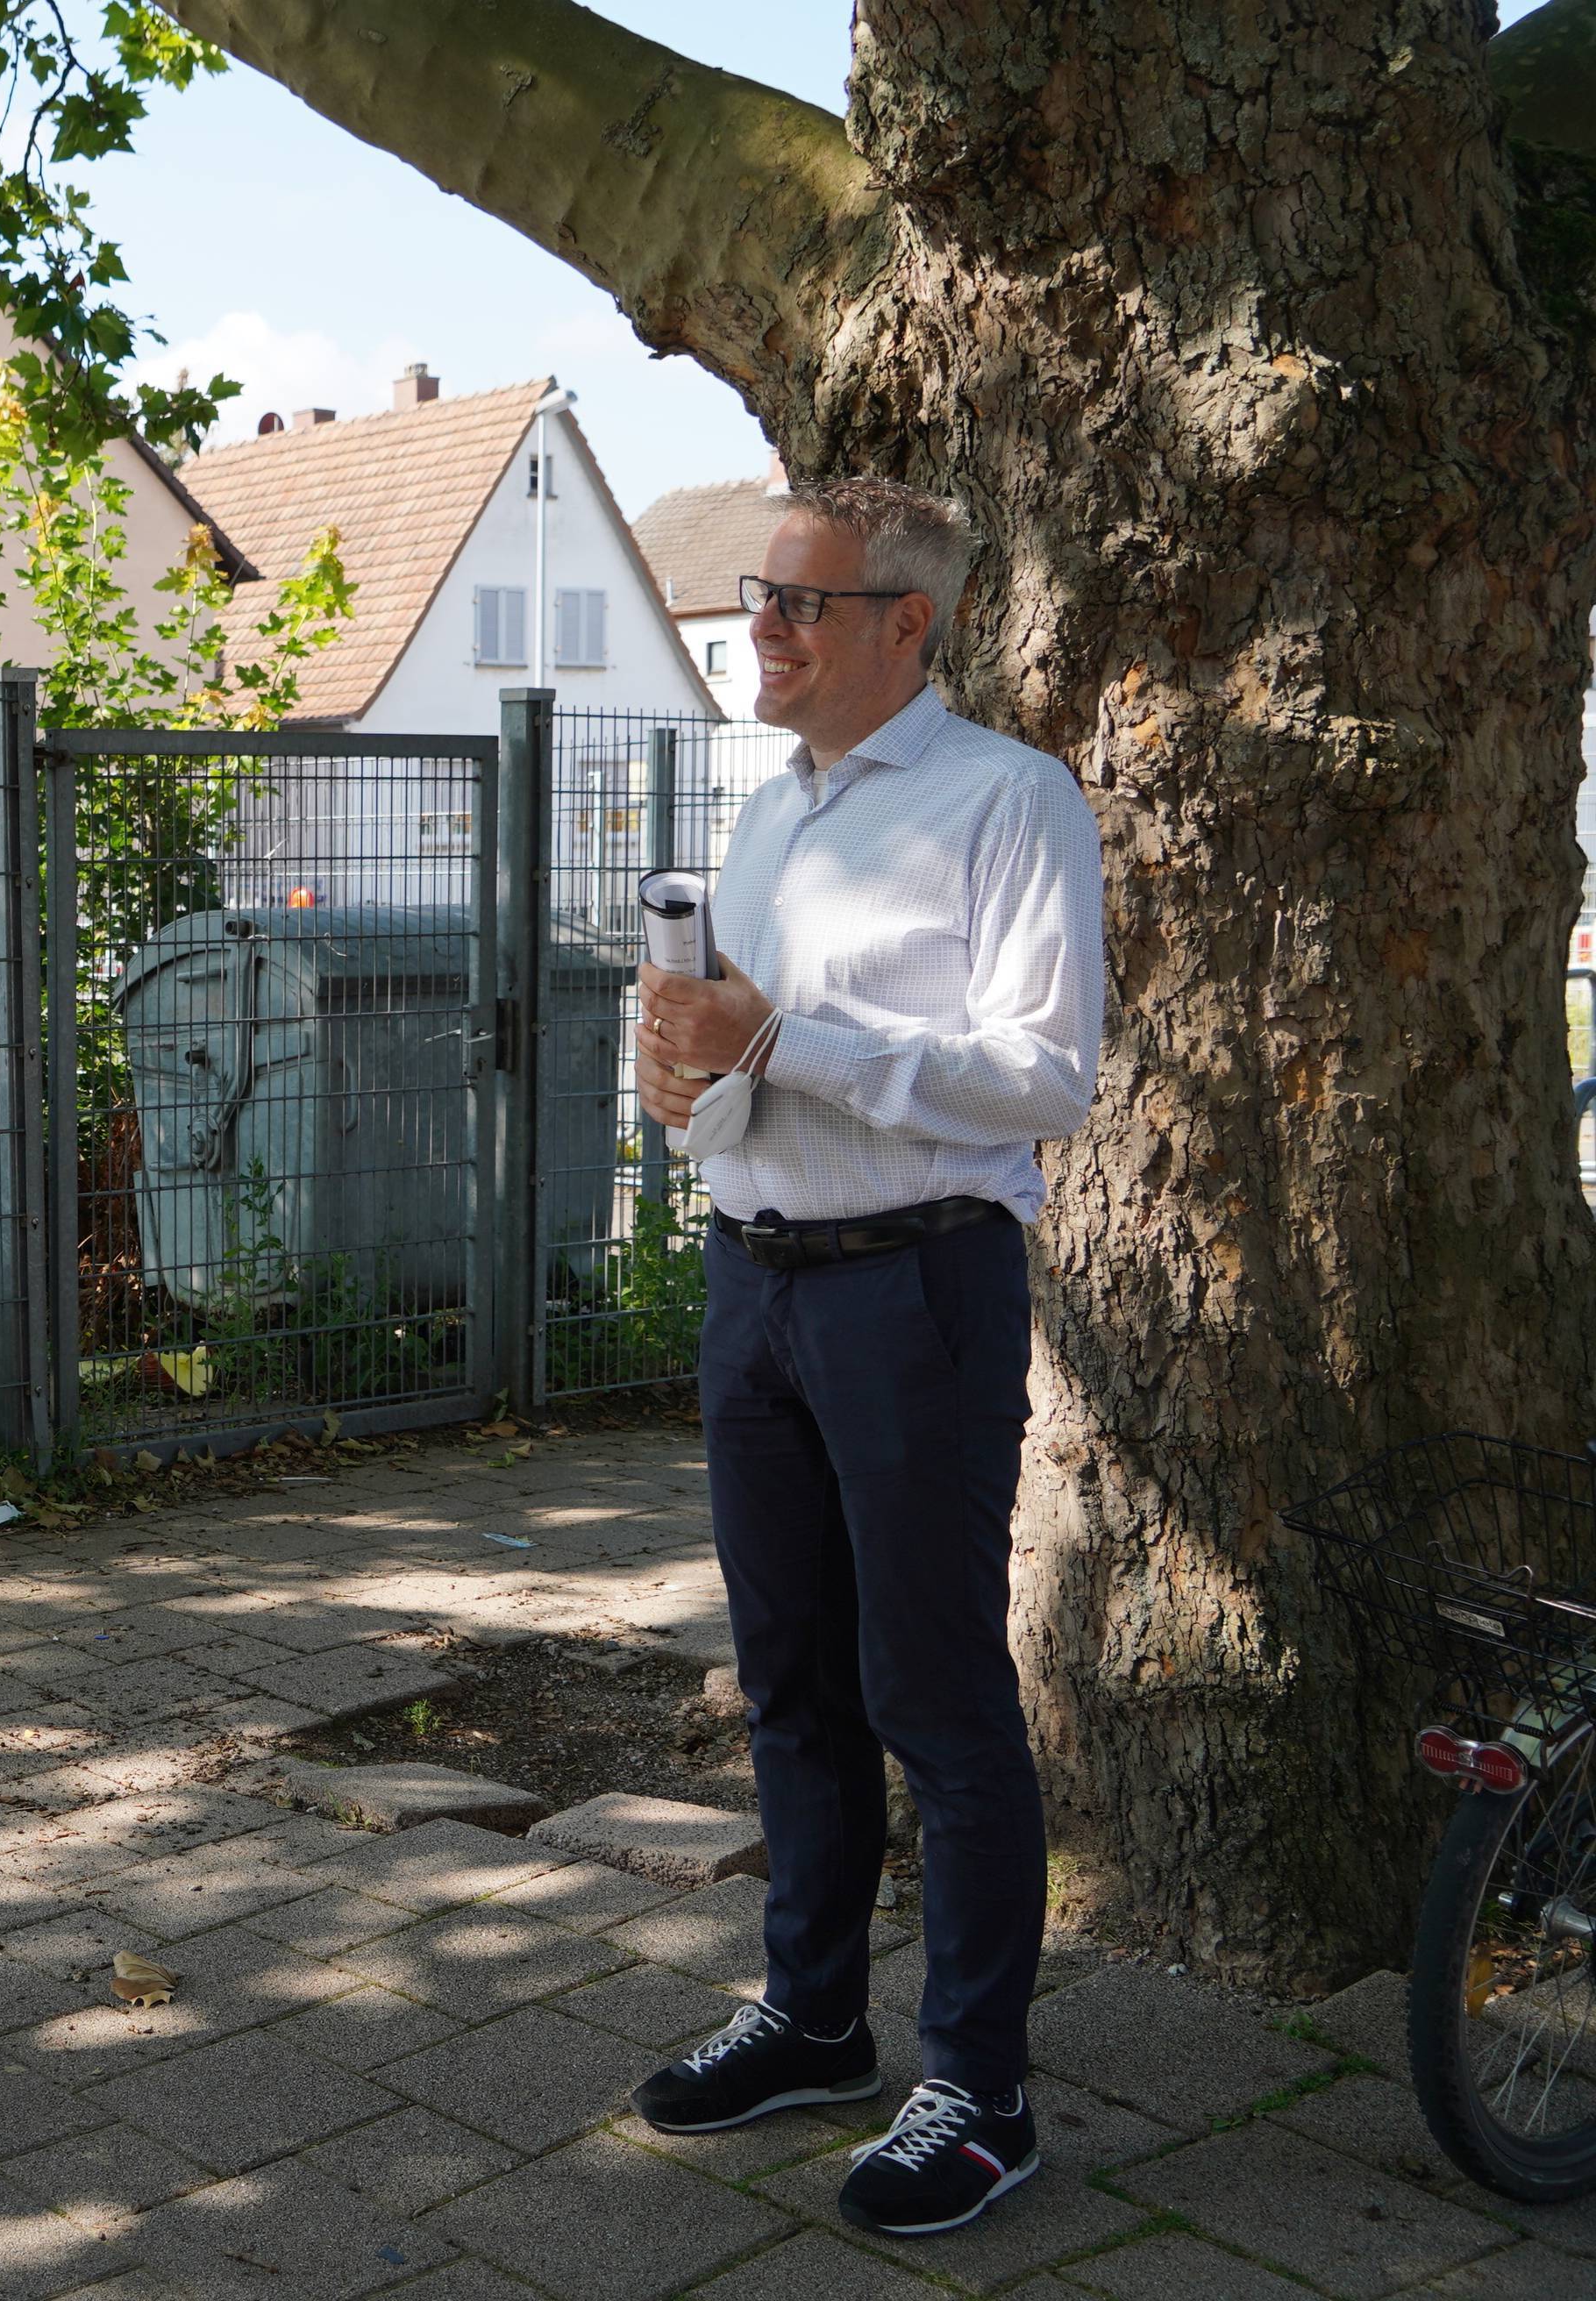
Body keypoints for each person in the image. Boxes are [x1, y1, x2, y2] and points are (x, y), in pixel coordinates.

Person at [623, 479, 1104, 2240]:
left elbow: (1047, 1073)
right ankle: (818, 2016)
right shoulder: (770, 818)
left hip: (917, 1291)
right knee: (790, 1677)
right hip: (754, 1280)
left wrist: (787, 1037)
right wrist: (687, 1074)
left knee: (937, 1696)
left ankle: (980, 2088)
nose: (762, 625)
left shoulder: (1009, 801)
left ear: (909, 623)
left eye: (798, 603)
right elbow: (749, 1050)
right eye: (760, 597)